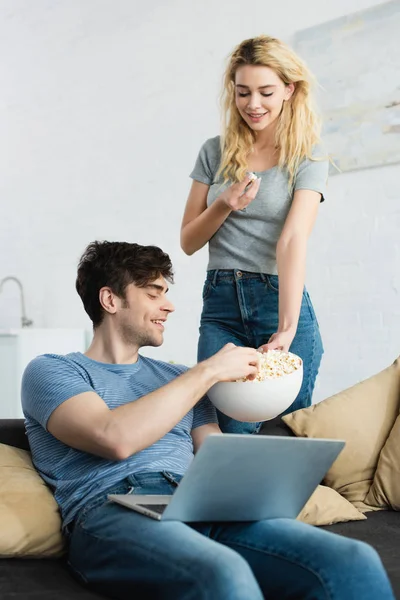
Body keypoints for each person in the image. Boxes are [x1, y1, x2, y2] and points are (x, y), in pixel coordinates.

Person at [21, 240, 394, 600]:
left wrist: (265, 398)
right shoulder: (52, 371)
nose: (168, 306)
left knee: (351, 560)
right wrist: (208, 370)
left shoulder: (177, 379)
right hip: (110, 509)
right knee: (222, 572)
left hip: (196, 499)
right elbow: (113, 437)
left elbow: (215, 454)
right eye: (154, 293)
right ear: (110, 299)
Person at [181, 35, 329, 434]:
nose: (253, 104)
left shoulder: (308, 157)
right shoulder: (215, 152)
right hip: (221, 305)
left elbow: (293, 238)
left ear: (289, 89)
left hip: (278, 300)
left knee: (284, 433)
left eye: (266, 91)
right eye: (243, 92)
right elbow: (189, 241)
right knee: (224, 432)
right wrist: (224, 203)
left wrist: (286, 327)